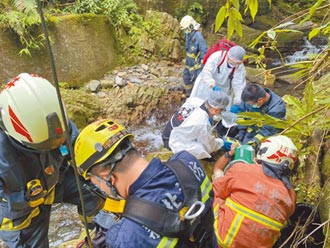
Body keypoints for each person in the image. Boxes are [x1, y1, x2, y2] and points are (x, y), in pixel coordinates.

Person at [74, 119, 216, 248]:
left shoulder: (124, 238)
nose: (101, 189)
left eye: (98, 184)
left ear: (107, 177)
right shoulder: (187, 162)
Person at [0, 73, 103, 248]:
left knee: (97, 191)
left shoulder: (53, 116)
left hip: (57, 178)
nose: (53, 147)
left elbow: (78, 149)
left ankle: (101, 238)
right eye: (43, 146)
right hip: (22, 209)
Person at [212, 135, 298, 248]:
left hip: (224, 242)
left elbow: (217, 191)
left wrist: (229, 155)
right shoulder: (291, 195)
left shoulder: (241, 170)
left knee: (214, 195)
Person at [162, 91, 232, 159]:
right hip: (172, 142)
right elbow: (209, 144)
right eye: (222, 110)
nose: (221, 112)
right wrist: (222, 143)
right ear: (216, 110)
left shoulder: (195, 100)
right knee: (201, 149)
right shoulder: (202, 121)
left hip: (167, 133)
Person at [180, 15, 208, 97]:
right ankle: (189, 94)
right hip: (189, 61)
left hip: (197, 63)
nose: (185, 31)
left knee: (198, 81)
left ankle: (197, 96)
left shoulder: (198, 35)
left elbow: (204, 49)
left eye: (186, 29)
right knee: (186, 76)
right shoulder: (188, 35)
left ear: (191, 26)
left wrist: (203, 61)